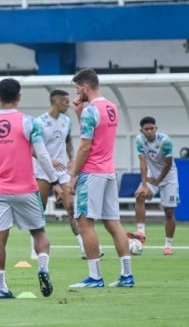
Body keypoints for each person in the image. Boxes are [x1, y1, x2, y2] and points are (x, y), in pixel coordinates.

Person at [0, 78, 60, 299]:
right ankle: (43, 267)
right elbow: (42, 155)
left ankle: (0, 287)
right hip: (25, 187)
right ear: (19, 97)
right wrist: (54, 182)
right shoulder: (29, 122)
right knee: (39, 233)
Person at [68, 68, 134, 288]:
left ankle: (95, 277)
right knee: (113, 222)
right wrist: (79, 114)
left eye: (78, 88)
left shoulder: (91, 111)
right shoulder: (111, 107)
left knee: (84, 222)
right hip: (108, 171)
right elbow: (99, 137)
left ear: (85, 87)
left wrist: (73, 175)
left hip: (92, 172)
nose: (77, 93)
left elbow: (85, 146)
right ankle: (127, 275)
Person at [30, 89, 86, 259]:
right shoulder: (39, 122)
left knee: (71, 207)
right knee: (39, 209)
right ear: (56, 102)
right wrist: (48, 159)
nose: (68, 105)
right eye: (66, 102)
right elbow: (32, 148)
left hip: (62, 171)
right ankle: (35, 247)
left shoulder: (66, 121)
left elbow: (68, 141)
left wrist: (71, 158)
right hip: (42, 170)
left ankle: (84, 246)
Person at [127, 116, 178, 256]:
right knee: (140, 195)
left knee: (169, 212)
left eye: (152, 128)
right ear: (141, 130)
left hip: (169, 176)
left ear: (156, 128)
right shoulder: (139, 140)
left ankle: (168, 245)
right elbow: (143, 162)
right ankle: (141, 232)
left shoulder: (165, 141)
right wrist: (144, 184)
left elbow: (168, 164)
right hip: (152, 173)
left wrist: (158, 180)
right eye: (146, 129)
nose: (150, 131)